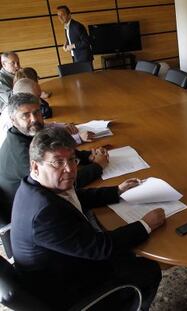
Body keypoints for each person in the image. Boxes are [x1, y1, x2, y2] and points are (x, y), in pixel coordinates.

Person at [11, 127, 165, 310]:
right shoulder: (44, 214)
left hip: (61, 263)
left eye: (71, 160)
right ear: (36, 166)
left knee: (123, 247)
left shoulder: (37, 186)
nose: (69, 169)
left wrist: (117, 191)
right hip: (69, 288)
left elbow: (74, 196)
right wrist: (145, 225)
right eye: (57, 162)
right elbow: (100, 248)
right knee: (148, 269)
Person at [0, 93, 106, 222]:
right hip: (32, 213)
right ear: (13, 120)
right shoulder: (21, 151)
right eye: (26, 115)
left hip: (49, 199)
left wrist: (89, 156)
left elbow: (57, 149)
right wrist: (98, 166)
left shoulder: (27, 134)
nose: (34, 119)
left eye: (37, 112)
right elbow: (62, 179)